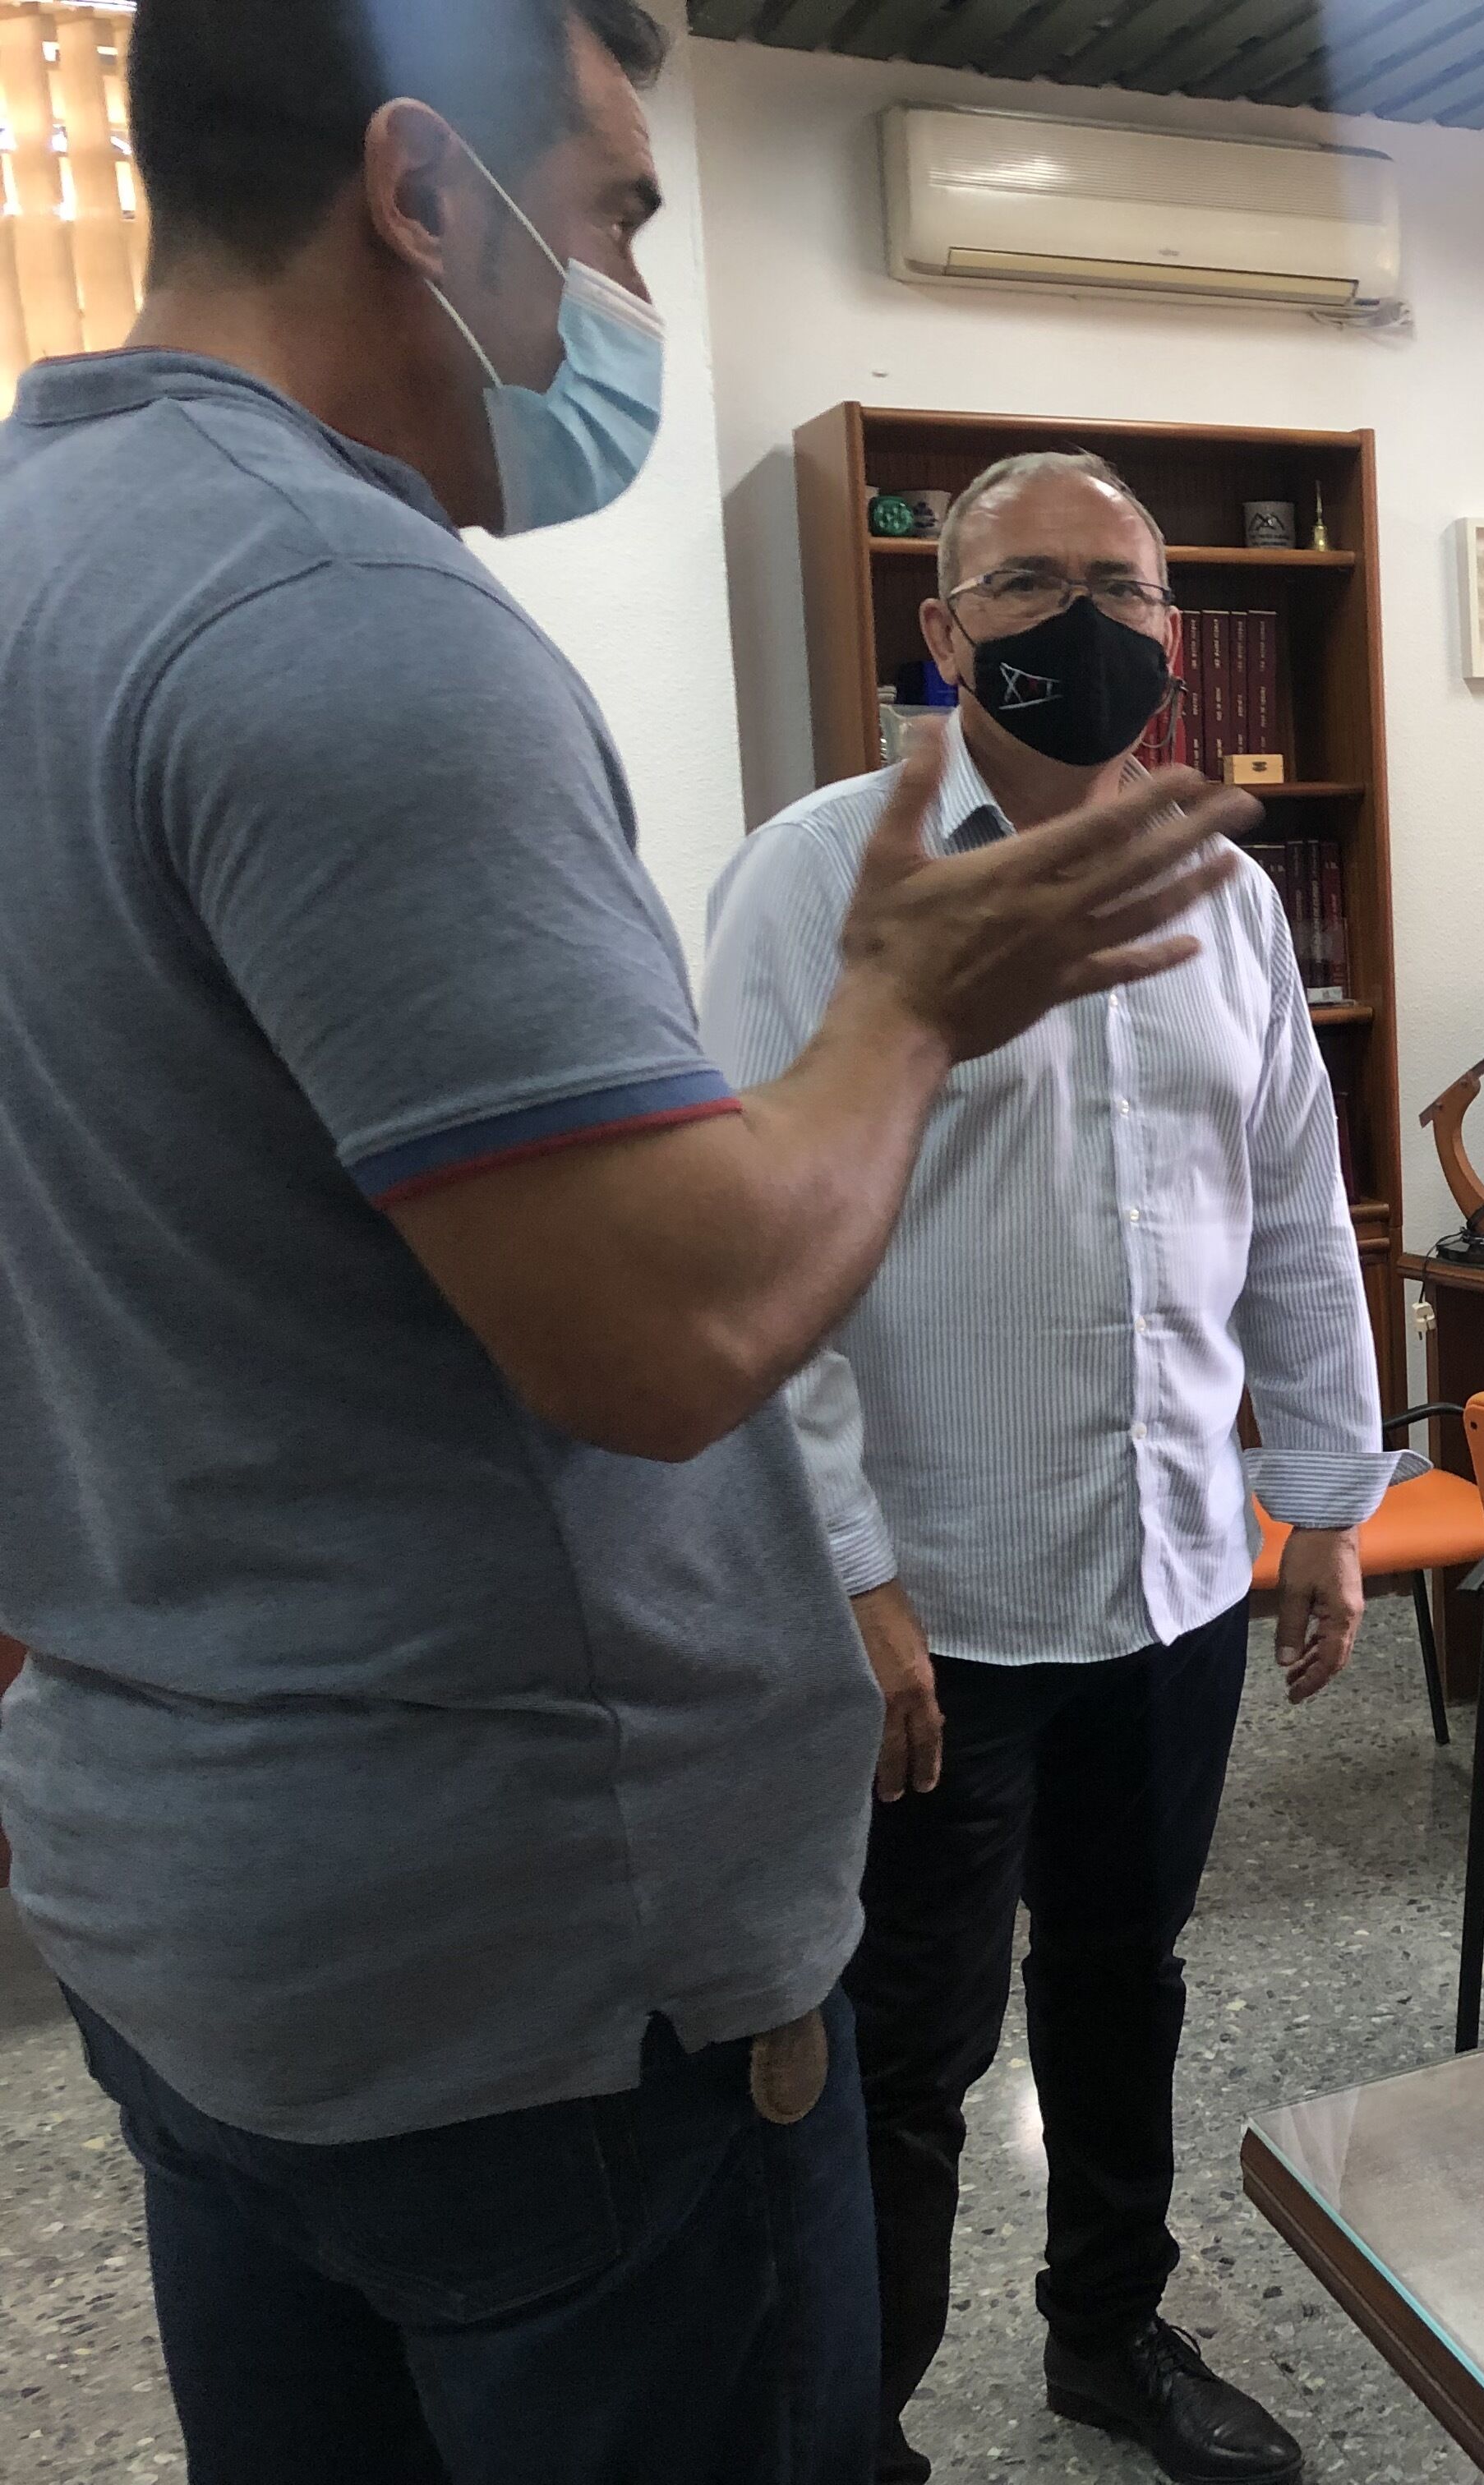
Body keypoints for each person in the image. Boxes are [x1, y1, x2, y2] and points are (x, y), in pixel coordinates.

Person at [0, 4, 1248, 2478]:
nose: (631, 301)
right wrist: (910, 1013)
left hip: (196, 1906)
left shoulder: (50, 561)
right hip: (532, 1974)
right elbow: (667, 1334)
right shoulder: (348, 616)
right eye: (617, 215)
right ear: (418, 193)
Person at [703, 449, 1412, 2485]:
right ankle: (849, 2432)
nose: (1079, 624)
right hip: (939, 1600)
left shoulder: (1228, 901)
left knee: (1125, 1987)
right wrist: (851, 1573)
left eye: (1120, 586)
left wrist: (1327, 1503)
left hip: (1173, 1572)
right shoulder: (817, 882)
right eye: (1027, 585)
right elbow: (755, 1248)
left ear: (1172, 632)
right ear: (942, 629)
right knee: (905, 2052)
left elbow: (1295, 1213)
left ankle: (1108, 2335)